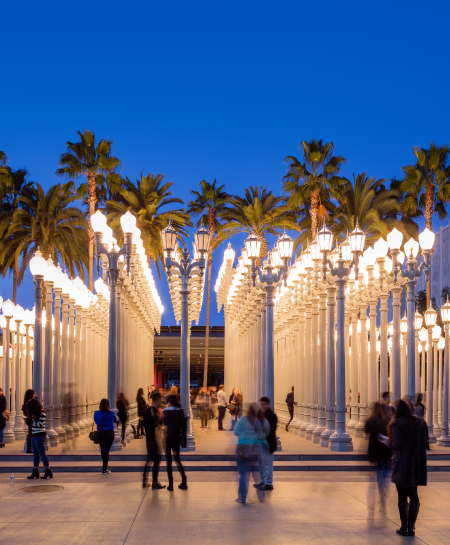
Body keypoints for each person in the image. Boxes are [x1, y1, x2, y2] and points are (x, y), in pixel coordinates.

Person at [388, 399, 427, 537]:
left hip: (402, 463)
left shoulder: (397, 423)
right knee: (414, 493)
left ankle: (404, 527)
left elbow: (396, 444)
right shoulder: (418, 422)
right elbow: (424, 442)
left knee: (402, 495)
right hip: (415, 462)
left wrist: (388, 442)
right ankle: (411, 527)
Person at [234, 403, 266, 503]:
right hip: (254, 450)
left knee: (243, 474)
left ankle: (242, 497)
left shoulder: (243, 419)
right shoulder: (257, 422)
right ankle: (261, 496)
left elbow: (236, 432)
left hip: (242, 449)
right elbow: (260, 434)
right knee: (256, 474)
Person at [364, 401, 392, 506]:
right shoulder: (387, 421)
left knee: (379, 470)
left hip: (375, 448)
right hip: (385, 448)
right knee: (386, 470)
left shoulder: (371, 420)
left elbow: (366, 431)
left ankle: (381, 491)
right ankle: (384, 489)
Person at [163, 394, 188, 491]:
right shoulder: (180, 411)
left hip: (168, 437)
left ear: (169, 402)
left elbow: (164, 423)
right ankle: (184, 481)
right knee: (177, 459)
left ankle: (171, 484)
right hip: (177, 438)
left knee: (168, 461)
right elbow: (183, 426)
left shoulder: (166, 411)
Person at [143, 391, 165, 489]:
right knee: (156, 460)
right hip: (154, 439)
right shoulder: (153, 411)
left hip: (149, 439)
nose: (161, 402)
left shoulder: (148, 411)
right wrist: (161, 419)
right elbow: (153, 425)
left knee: (150, 460)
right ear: (158, 400)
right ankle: (154, 482)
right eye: (161, 400)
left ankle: (145, 480)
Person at [26, 397, 53, 479]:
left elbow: (40, 424)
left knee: (42, 454)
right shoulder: (36, 414)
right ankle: (35, 471)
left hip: (40, 435)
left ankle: (47, 470)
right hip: (34, 435)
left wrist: (31, 421)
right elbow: (35, 424)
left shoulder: (42, 413)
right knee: (35, 454)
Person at [255, 397, 278, 491]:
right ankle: (263, 480)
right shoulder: (259, 414)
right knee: (260, 463)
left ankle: (269, 483)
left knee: (267, 463)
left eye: (264, 404)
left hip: (268, 443)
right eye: (260, 404)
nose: (262, 406)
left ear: (268, 405)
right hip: (259, 442)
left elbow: (271, 430)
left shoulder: (271, 415)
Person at [94, 398, 117, 475]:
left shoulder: (96, 413)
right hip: (109, 433)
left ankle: (104, 468)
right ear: (108, 405)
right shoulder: (111, 413)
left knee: (103, 449)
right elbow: (115, 421)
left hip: (100, 433)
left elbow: (96, 421)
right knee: (106, 450)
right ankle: (104, 469)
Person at [22, 389, 36, 453]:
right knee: (31, 433)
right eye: (33, 393)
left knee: (30, 432)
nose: (34, 394)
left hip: (27, 419)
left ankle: (29, 447)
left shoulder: (26, 401)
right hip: (30, 419)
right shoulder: (29, 401)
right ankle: (29, 448)